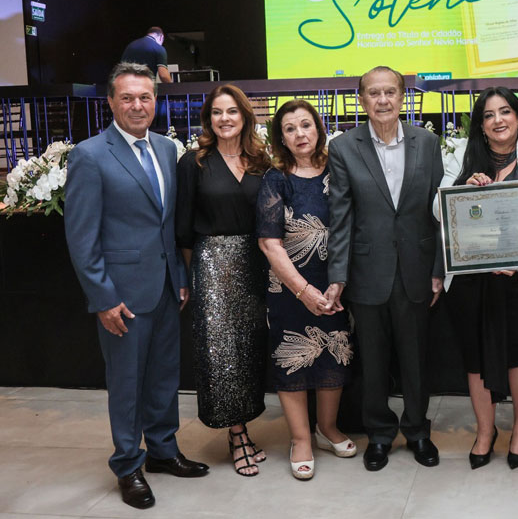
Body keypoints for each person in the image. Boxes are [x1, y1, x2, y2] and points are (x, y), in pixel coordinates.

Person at [64, 62, 208, 510]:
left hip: (165, 287)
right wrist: (103, 298)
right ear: (110, 102)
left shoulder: (166, 148)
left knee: (164, 376)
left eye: (145, 97)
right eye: (127, 97)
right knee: (127, 384)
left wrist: (179, 277)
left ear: (155, 100)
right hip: (122, 295)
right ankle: (128, 464)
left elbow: (169, 226)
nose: (137, 105)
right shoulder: (90, 155)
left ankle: (163, 450)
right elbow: (81, 238)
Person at [435, 87, 518, 470]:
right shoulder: (459, 155)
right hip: (472, 276)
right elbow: (438, 208)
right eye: (489, 114)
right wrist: (461, 190)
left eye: (506, 111)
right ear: (480, 124)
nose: (498, 120)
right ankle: (485, 431)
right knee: (476, 356)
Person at [326, 66, 445, 472]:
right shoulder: (344, 147)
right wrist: (338, 276)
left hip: (417, 267)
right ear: (362, 100)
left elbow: (437, 211)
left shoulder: (427, 142)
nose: (382, 100)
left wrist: (439, 267)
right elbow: (340, 217)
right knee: (373, 361)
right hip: (366, 271)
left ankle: (417, 430)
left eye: (390, 92)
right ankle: (378, 433)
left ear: (402, 97)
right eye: (374, 93)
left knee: (416, 358)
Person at [257, 100, 356, 481]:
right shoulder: (276, 179)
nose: (300, 134)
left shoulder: (338, 171)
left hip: (337, 283)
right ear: (281, 138)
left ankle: (327, 429)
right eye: (290, 128)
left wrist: (336, 283)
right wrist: (304, 291)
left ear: (318, 128)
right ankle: (300, 439)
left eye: (305, 125)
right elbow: (270, 244)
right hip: (289, 288)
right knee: (292, 360)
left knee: (336, 352)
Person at [176, 84, 270, 476]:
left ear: (245, 116)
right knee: (222, 353)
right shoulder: (193, 163)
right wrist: (195, 275)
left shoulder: (261, 161)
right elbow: (183, 227)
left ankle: (245, 422)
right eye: (217, 112)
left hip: (256, 264)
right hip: (212, 265)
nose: (224, 118)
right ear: (208, 119)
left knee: (249, 349)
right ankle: (237, 434)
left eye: (232, 111)